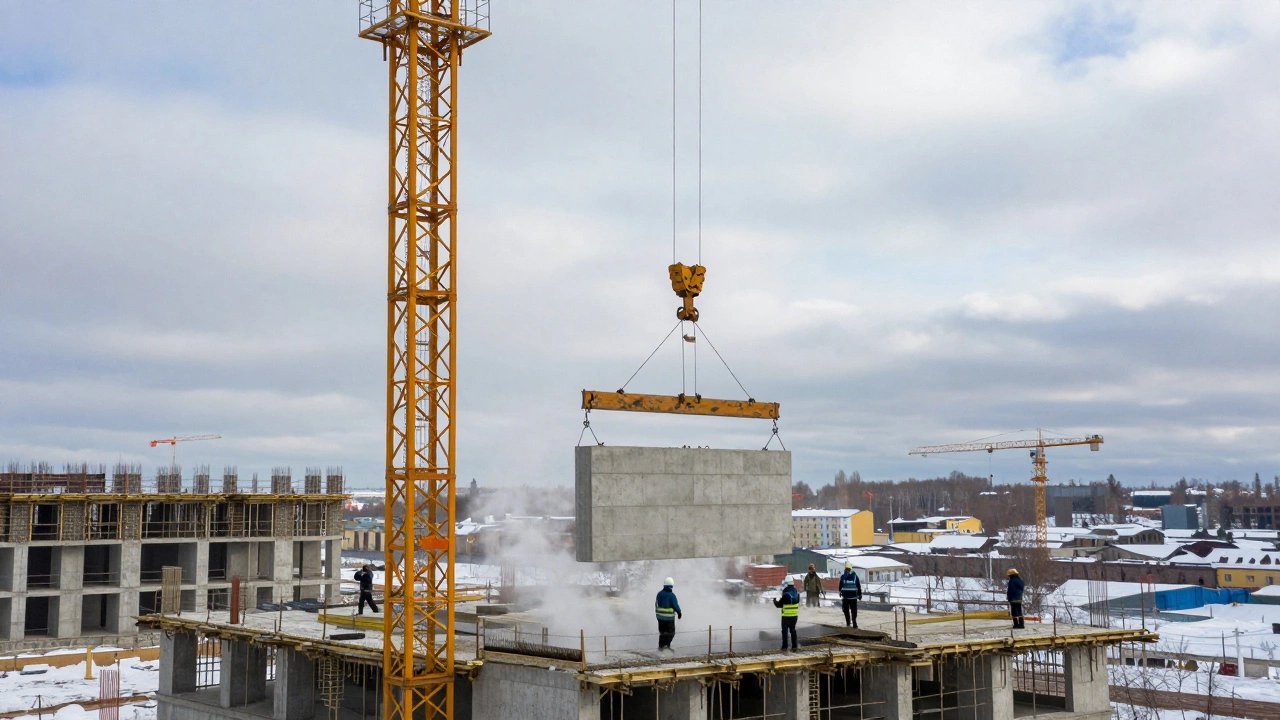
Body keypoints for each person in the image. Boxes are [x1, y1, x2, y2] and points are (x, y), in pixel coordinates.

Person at [655, 577, 682, 651]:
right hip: (669, 618)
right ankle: (666, 647)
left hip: (660, 617)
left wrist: (658, 614)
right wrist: (679, 613)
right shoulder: (671, 595)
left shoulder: (659, 594)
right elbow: (675, 605)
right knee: (670, 633)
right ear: (671, 586)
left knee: (662, 633)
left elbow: (656, 604)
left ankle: (661, 647)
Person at [773, 577, 801, 651]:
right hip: (795, 616)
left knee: (785, 631)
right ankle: (794, 646)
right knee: (793, 630)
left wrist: (775, 601)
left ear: (787, 584)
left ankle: (785, 647)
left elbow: (779, 605)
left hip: (786, 616)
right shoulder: (796, 593)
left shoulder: (786, 594)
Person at [839, 562, 862, 628]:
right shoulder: (855, 576)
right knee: (854, 610)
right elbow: (858, 586)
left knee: (846, 611)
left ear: (845, 569)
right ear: (851, 569)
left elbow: (840, 586)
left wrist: (840, 592)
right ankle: (854, 622)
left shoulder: (843, 576)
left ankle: (848, 623)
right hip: (853, 597)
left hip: (845, 597)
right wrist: (859, 594)